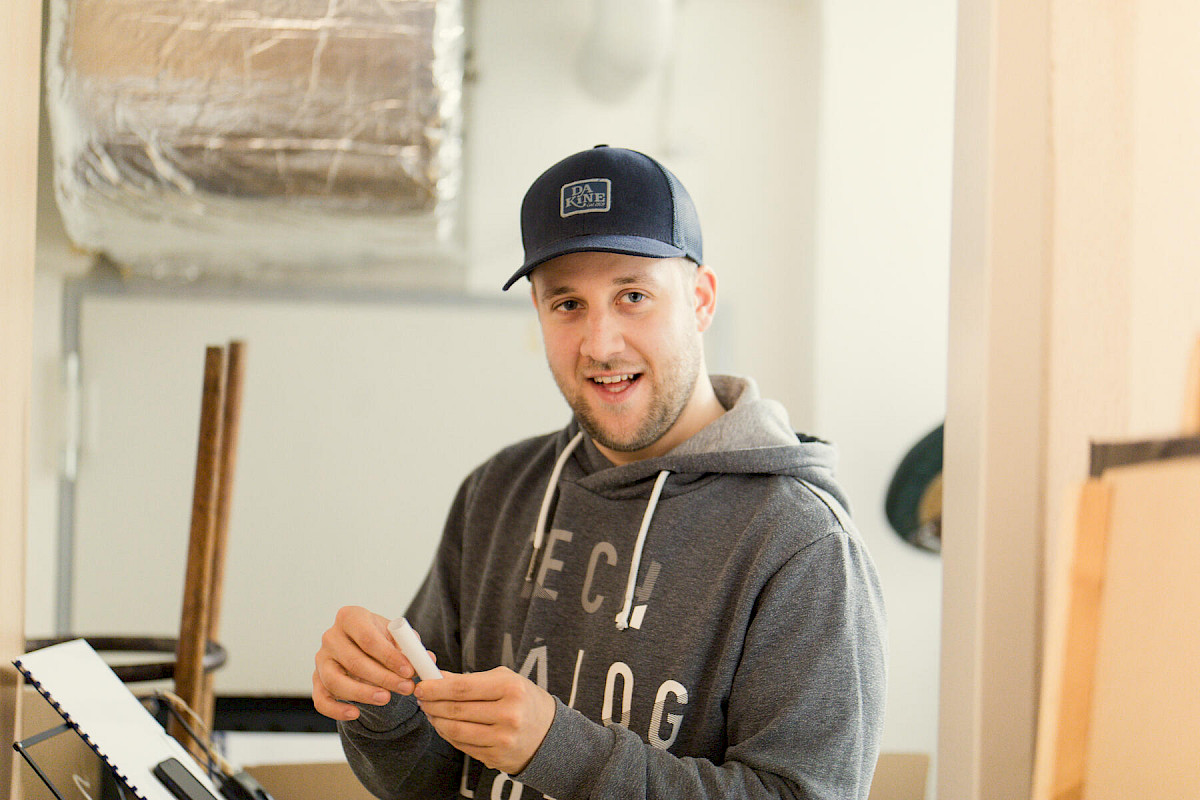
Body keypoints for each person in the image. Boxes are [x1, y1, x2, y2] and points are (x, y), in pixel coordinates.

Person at [312, 145, 887, 800]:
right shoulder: (496, 494)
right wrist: (381, 710)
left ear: (701, 300)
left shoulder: (803, 542)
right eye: (567, 304)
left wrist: (562, 753)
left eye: (633, 296)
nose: (601, 344)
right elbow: (426, 781)